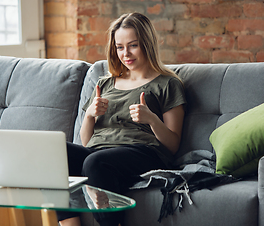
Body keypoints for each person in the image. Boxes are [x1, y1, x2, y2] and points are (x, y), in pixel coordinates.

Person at [58, 12, 186, 226]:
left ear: (147, 44)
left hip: (144, 153)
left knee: (95, 162)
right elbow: (86, 141)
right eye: (119, 47)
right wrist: (90, 115)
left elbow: (173, 145)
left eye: (133, 45)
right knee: (55, 154)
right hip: (99, 152)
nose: (125, 53)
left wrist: (152, 120)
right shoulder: (105, 84)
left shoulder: (167, 83)